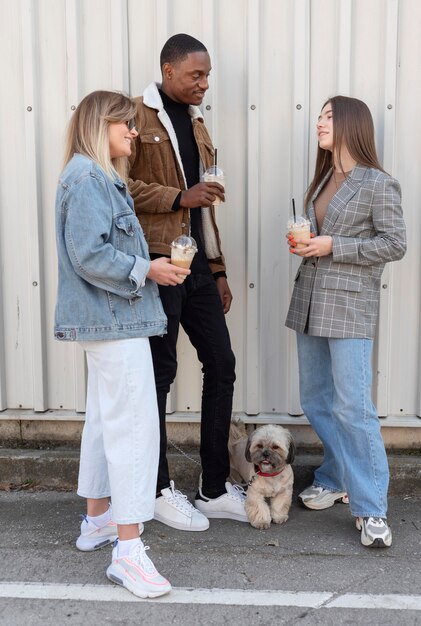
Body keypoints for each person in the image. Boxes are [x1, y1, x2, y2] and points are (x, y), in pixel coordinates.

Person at [54, 90, 189, 598]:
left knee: (103, 419)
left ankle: (98, 520)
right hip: (116, 321)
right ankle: (128, 553)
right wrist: (145, 268)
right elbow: (89, 254)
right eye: (125, 125)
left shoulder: (92, 174)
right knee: (133, 429)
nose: (134, 133)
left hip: (108, 321)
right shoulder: (90, 177)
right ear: (99, 124)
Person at [129, 33, 247, 531]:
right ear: (168, 69)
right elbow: (121, 187)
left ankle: (213, 488)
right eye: (196, 75)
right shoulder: (134, 116)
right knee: (160, 375)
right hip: (160, 264)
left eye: (208, 76)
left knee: (221, 364)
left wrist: (217, 269)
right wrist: (180, 196)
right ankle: (155, 489)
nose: (204, 84)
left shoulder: (197, 123)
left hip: (197, 266)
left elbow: (207, 209)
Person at [285, 95, 406, 548]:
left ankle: (371, 508)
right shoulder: (322, 179)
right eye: (318, 116)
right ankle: (336, 475)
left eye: (328, 116)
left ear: (352, 124)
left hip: (350, 307)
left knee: (352, 407)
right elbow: (322, 234)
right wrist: (307, 241)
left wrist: (335, 245)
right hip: (311, 302)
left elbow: (394, 243)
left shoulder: (377, 183)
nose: (319, 123)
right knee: (316, 398)